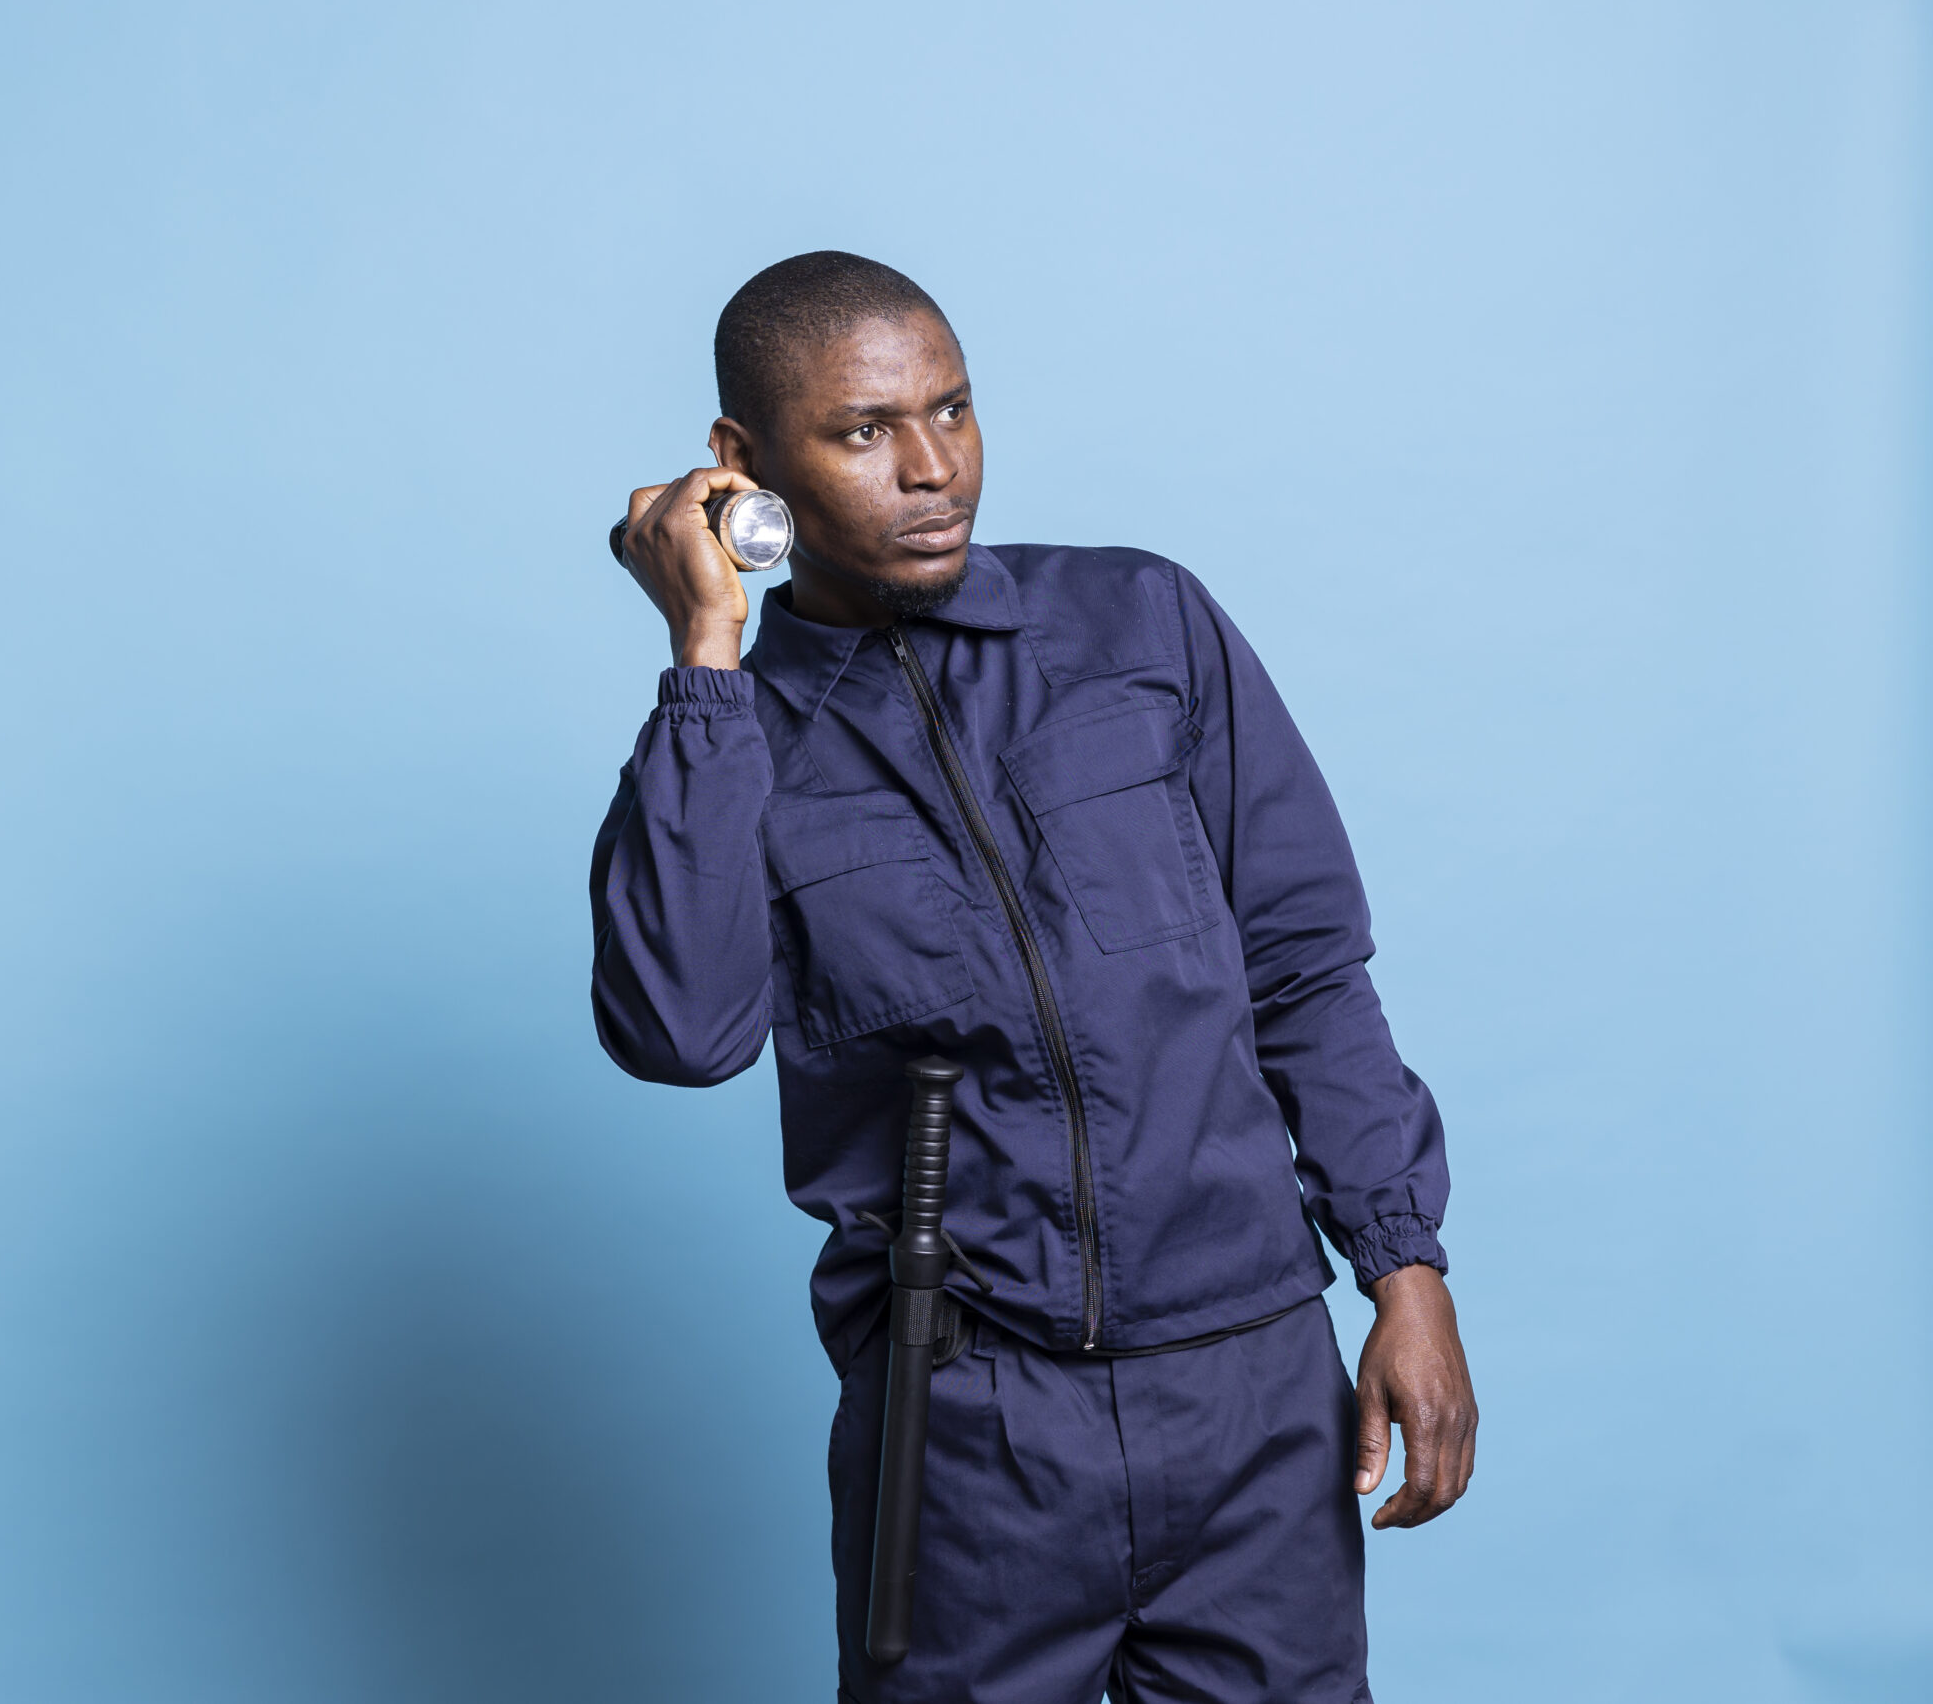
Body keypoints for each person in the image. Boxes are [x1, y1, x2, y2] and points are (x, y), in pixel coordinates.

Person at [589, 252, 1476, 1703]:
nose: (932, 469)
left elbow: (1307, 967)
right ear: (742, 471)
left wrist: (1406, 1269)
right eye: (864, 432)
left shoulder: (1142, 627)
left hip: (1251, 1381)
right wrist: (704, 653)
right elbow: (681, 1033)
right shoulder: (734, 738)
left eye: (954, 410)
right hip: (969, 1428)